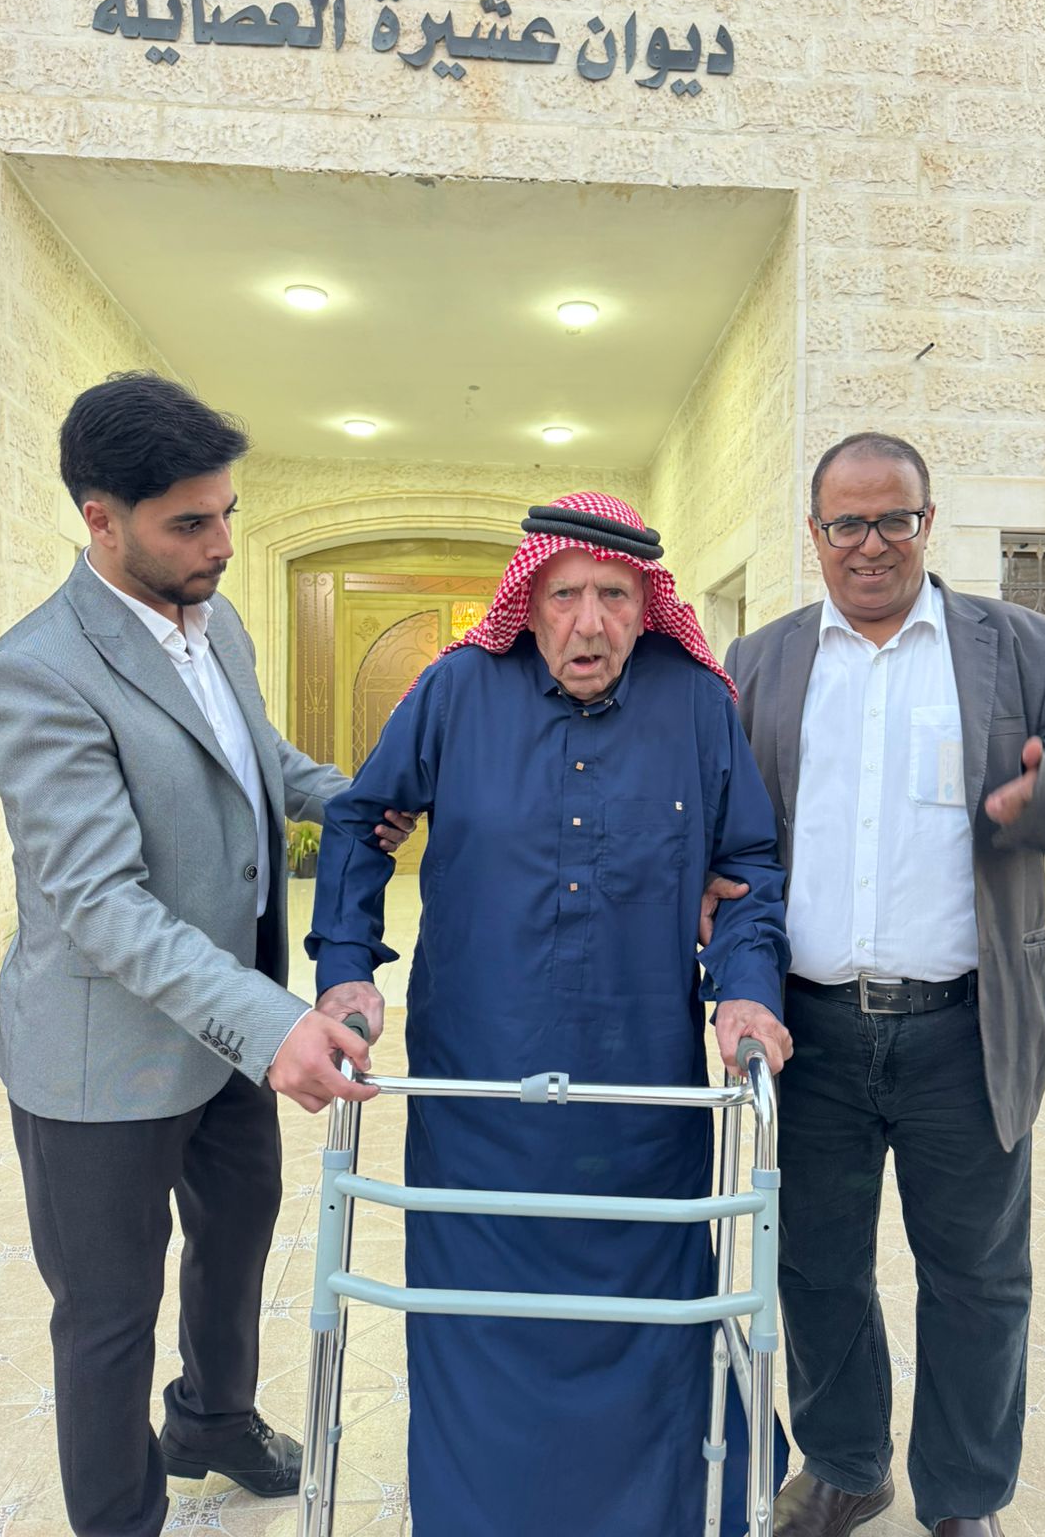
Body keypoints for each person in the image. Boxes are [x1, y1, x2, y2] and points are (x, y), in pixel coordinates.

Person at [307, 491, 793, 1537]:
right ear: (526, 603)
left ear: (647, 607)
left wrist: (748, 991)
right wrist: (347, 969)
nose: (590, 624)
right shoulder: (454, 693)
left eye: (615, 597)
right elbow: (360, 823)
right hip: (478, 1098)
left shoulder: (696, 705)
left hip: (641, 1104)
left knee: (650, 1326)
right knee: (479, 1326)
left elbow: (746, 865)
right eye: (566, 595)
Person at [0, 372, 396, 1537]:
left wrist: (388, 803)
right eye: (189, 523)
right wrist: (273, 1024)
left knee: (235, 1241)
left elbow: (265, 767)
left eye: (227, 515)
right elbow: (101, 903)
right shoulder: (38, 671)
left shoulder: (220, 624)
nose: (219, 543)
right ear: (100, 518)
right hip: (101, 1061)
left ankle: (213, 1419)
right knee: (108, 1314)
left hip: (224, 1036)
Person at [713, 433, 1045, 1537]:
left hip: (964, 1027)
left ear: (927, 522)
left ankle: (964, 1496)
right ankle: (848, 1465)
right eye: (847, 523)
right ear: (815, 534)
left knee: (978, 1278)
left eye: (894, 519)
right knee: (817, 1269)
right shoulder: (761, 661)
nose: (872, 544)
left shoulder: (1023, 645)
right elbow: (725, 819)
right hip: (810, 1030)